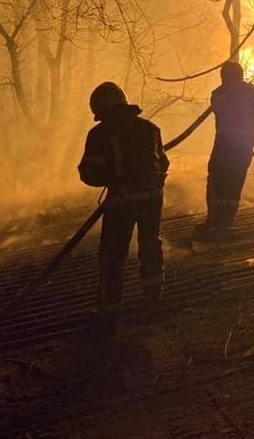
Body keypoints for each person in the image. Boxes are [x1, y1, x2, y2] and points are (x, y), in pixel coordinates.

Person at [78, 82, 169, 333]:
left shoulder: (99, 134)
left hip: (121, 202)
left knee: (113, 254)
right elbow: (163, 163)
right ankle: (153, 299)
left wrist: (113, 179)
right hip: (151, 199)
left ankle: (109, 310)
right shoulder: (150, 128)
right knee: (150, 246)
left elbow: (89, 172)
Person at [199, 61, 254, 233]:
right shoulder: (246, 91)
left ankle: (214, 219)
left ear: (224, 77)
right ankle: (225, 221)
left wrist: (248, 90)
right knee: (233, 182)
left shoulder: (218, 93)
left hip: (222, 146)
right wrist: (251, 89)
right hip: (241, 147)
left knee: (217, 181)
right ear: (240, 76)